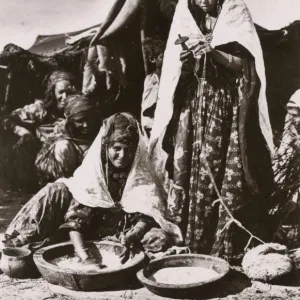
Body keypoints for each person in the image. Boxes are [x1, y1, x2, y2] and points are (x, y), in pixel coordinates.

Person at [149, 0, 274, 260]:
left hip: (223, 107)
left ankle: (223, 245)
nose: (203, 1)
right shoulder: (188, 16)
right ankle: (191, 240)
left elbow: (247, 67)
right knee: (190, 169)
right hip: (194, 106)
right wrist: (185, 58)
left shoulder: (235, 13)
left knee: (219, 169)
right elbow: (175, 70)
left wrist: (212, 51)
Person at [4, 113, 183, 264]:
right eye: (116, 148)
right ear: (106, 148)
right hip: (82, 228)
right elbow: (77, 219)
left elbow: (148, 212)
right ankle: (17, 244)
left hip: (119, 233)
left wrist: (134, 232)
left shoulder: (141, 173)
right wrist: (83, 254)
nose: (122, 155)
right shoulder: (94, 173)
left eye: (128, 150)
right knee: (55, 190)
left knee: (159, 238)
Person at [1, 70, 77, 190]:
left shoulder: (79, 108)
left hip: (73, 157)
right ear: (52, 92)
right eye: (61, 92)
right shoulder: (40, 110)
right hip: (49, 159)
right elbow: (5, 119)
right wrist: (23, 132)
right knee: (63, 145)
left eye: (69, 92)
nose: (65, 97)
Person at [35, 94, 100, 185]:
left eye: (89, 119)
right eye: (80, 121)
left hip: (92, 179)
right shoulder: (61, 133)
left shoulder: (100, 128)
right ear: (71, 121)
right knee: (63, 146)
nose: (86, 125)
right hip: (68, 178)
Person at [141, 38, 165, 138]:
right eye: (162, 57)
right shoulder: (152, 80)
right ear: (152, 59)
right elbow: (148, 108)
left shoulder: (168, 76)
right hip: (155, 125)